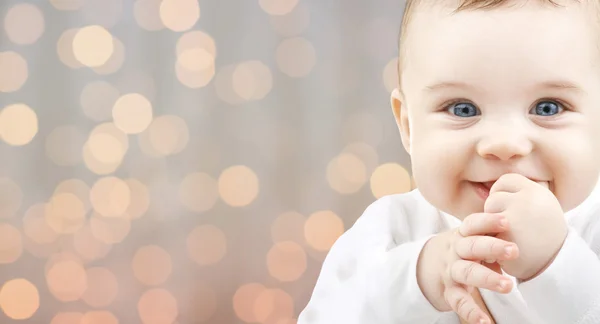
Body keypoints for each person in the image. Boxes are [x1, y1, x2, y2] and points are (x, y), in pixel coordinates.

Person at [298, 0, 600, 323]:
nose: (503, 145)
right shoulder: (391, 231)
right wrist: (418, 279)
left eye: (548, 108)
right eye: (463, 109)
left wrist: (557, 263)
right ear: (408, 126)